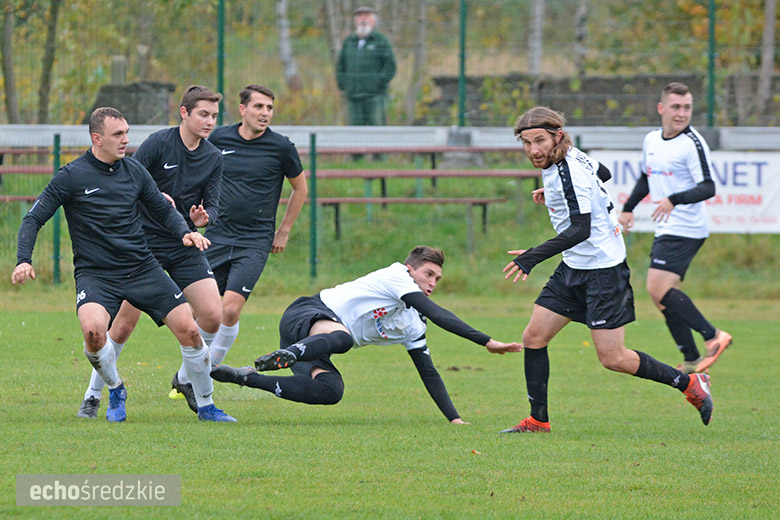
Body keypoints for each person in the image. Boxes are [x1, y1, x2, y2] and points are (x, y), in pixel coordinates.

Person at [12, 107, 235, 423]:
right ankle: (115, 388)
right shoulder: (71, 176)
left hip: (143, 268)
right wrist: (24, 260)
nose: (126, 140)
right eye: (118, 134)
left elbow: (162, 210)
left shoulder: (135, 172)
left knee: (189, 329)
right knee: (93, 332)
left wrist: (185, 232)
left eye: (127, 133)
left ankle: (207, 406)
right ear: (96, 138)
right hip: (96, 274)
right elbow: (34, 217)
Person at [499, 106, 713, 434]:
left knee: (614, 358)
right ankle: (538, 420)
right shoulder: (568, 157)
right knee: (534, 336)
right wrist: (556, 194)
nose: (533, 150)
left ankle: (689, 383)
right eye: (526, 143)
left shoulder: (568, 168)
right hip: (575, 266)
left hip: (603, 271)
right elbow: (604, 173)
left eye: (539, 140)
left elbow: (580, 230)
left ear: (557, 136)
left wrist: (531, 256)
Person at [211, 246, 523, 423]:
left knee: (331, 392)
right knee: (344, 338)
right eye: (428, 274)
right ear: (410, 269)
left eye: (438, 279)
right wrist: (487, 341)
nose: (432, 282)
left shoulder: (413, 324)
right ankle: (291, 354)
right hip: (306, 313)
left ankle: (244, 377)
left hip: (315, 342)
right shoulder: (396, 276)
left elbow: (428, 372)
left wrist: (454, 419)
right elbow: (440, 314)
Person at [75, 86, 225, 418]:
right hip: (142, 246)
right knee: (124, 325)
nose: (210, 121)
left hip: (183, 241)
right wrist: (156, 196)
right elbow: (126, 179)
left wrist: (205, 218)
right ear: (184, 113)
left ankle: (186, 381)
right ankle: (93, 395)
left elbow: (213, 204)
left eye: (214, 116)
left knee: (214, 315)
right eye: (203, 114)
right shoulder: (158, 144)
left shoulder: (214, 156)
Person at [618, 82, 731, 374]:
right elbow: (646, 176)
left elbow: (708, 187)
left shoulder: (692, 143)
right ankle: (692, 358)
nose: (682, 114)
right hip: (668, 226)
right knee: (664, 297)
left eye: (687, 108)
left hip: (688, 227)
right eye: (676, 107)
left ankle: (713, 336)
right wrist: (629, 208)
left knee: (657, 288)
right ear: (661, 108)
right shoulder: (652, 140)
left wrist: (673, 199)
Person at [199, 84, 307, 382]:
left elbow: (300, 188)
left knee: (229, 310)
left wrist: (283, 230)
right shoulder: (218, 138)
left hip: (255, 240)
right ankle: (194, 370)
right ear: (243, 109)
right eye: (259, 107)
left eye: (270, 108)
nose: (265, 113)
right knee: (204, 312)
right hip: (216, 235)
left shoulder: (281, 147)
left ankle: (198, 374)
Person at [336, 6, 396, 128]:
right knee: (355, 132)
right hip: (353, 97)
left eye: (367, 16)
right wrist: (344, 84)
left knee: (376, 130)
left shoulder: (380, 40)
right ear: (355, 21)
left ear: (374, 21)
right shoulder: (349, 42)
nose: (363, 19)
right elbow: (340, 66)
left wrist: (377, 83)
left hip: (375, 97)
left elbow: (390, 66)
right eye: (359, 16)